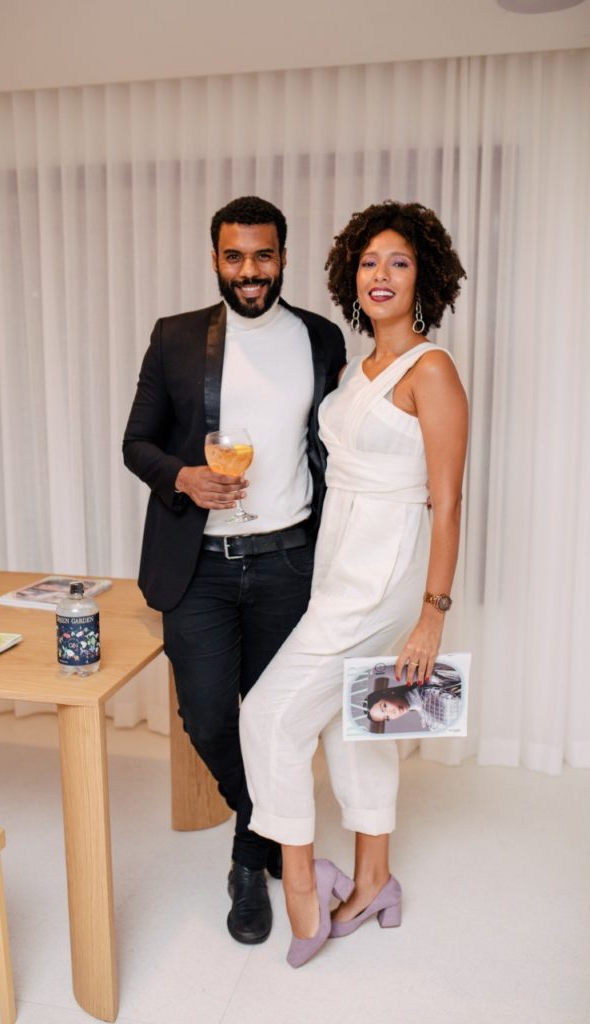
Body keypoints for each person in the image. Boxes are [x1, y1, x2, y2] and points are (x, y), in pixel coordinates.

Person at [240, 200, 468, 967]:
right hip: (340, 560)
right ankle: (374, 881)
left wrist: (432, 615)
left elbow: (447, 502)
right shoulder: (350, 371)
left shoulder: (431, 370)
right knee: (358, 717)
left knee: (270, 717)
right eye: (369, 261)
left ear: (424, 277)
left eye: (399, 262)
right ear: (351, 275)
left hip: (384, 573)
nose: (381, 274)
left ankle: (304, 886)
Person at [122, 196, 346, 945]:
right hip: (201, 567)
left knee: (278, 719)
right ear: (216, 259)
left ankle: (248, 863)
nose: (250, 271)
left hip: (289, 562)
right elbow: (136, 443)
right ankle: (269, 826)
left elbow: (336, 446)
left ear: (282, 256)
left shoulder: (319, 338)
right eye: (234, 256)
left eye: (263, 255)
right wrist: (183, 478)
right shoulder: (176, 337)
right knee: (210, 716)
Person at [366, 676, 462, 732]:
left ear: (387, 694)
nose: (392, 713)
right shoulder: (430, 721)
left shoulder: (430, 681)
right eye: (387, 717)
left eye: (385, 706)